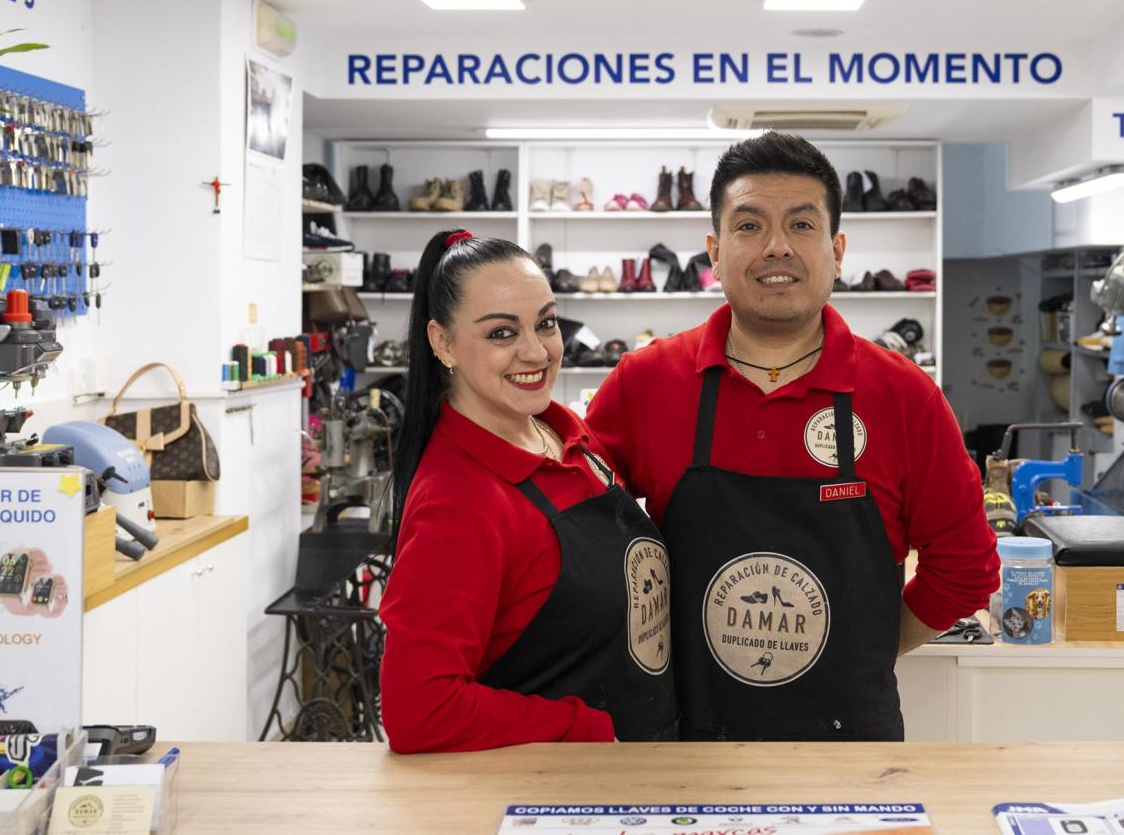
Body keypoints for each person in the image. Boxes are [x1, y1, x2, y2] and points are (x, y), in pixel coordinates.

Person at [585, 132, 998, 742]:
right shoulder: (646, 383)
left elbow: (965, 568)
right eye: (749, 226)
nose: (776, 247)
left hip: (850, 750)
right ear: (714, 251)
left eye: (801, 226)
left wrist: (866, 648)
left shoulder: (904, 396)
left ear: (837, 249)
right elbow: (574, 544)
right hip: (682, 747)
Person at [377, 229, 676, 752]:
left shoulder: (569, 439)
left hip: (637, 772)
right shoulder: (458, 502)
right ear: (442, 342)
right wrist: (584, 728)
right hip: (558, 796)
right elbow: (419, 710)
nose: (536, 351)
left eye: (547, 323)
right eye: (501, 333)